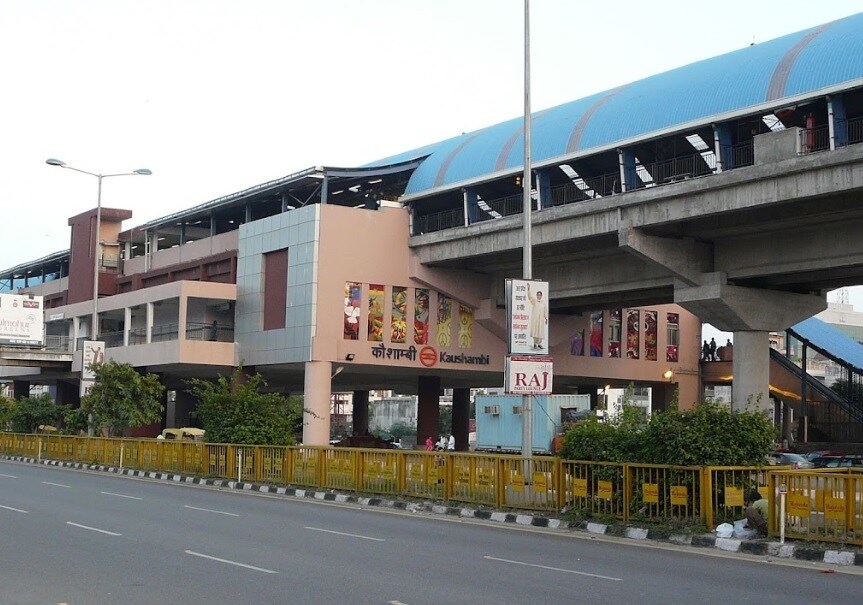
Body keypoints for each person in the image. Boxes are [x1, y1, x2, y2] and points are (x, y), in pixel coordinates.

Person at [526, 282, 548, 350]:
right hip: (535, 319)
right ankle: (535, 343)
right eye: (538, 295)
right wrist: (528, 289)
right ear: (536, 295)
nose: (539, 296)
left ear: (541, 296)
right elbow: (530, 297)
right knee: (535, 330)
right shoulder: (534, 301)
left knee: (540, 331)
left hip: (541, 320)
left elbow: (545, 311)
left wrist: (546, 318)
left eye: (540, 295)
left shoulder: (543, 303)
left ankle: (539, 343)